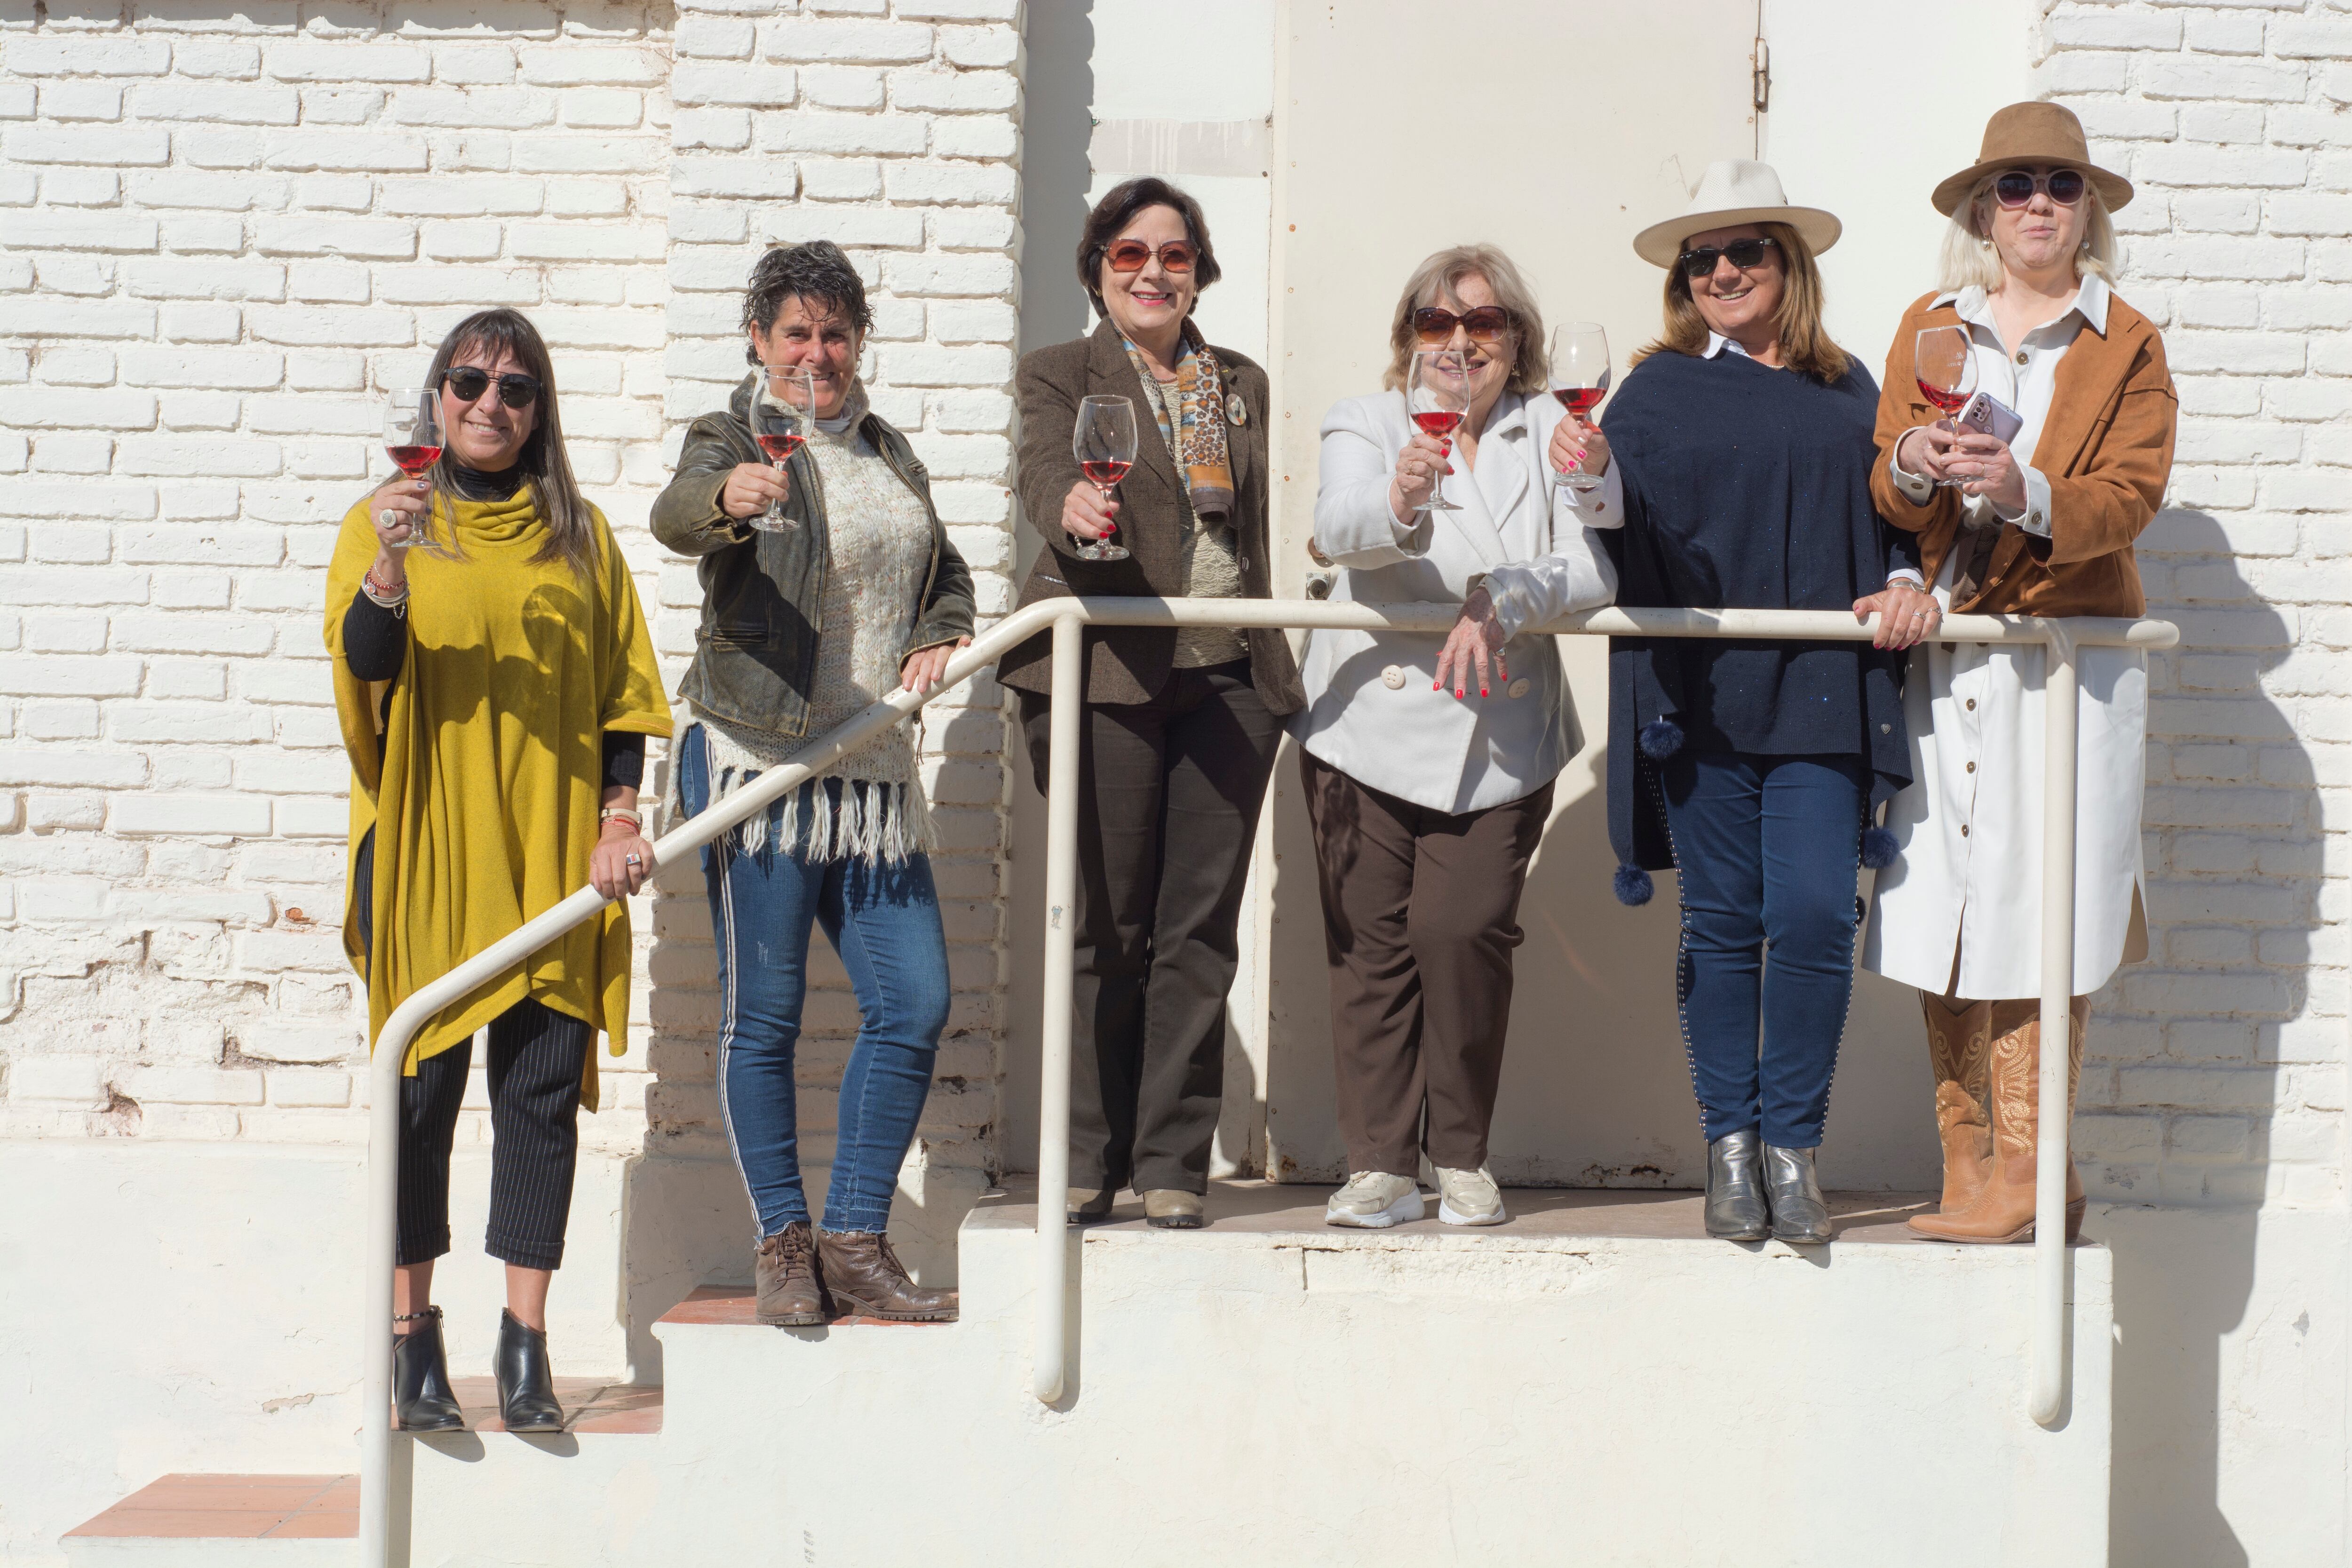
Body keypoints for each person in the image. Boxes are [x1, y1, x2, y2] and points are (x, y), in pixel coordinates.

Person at [327, 308, 672, 1432]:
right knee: (420, 1096)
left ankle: (526, 1341)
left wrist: (620, 813)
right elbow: (367, 664)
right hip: (428, 845)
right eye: (469, 380)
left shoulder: (582, 536)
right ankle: (409, 1337)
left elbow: (625, 698)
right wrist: (390, 556)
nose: (490, 402)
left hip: (553, 856)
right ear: (436, 399)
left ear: (541, 412)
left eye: (516, 388)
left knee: (538, 1099)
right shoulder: (383, 524)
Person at [1860, 103, 2176, 1245]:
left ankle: (2033, 1165)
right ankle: (1970, 1162)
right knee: (1936, 900)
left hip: (2065, 661)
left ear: (2086, 207)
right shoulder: (1930, 324)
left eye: (2059, 183)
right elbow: (1888, 487)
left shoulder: (2126, 340)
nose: (2037, 202)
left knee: (2046, 899)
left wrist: (2022, 488)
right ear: (1980, 209)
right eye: (2014, 185)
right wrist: (1916, 457)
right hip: (1947, 653)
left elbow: (2130, 498)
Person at [1602, 160, 1929, 1247]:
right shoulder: (1650, 391)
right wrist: (1582, 484)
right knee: (1725, 923)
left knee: (1812, 918)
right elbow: (1613, 538)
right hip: (1701, 697)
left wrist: (1907, 580)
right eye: (1705, 258)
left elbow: (1897, 523)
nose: (1725, 270)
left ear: (1791, 265)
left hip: (1827, 693)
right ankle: (1729, 1148)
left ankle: (1794, 1144)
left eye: (1748, 251)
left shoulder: (1852, 394)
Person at [652, 241, 974, 1322]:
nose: (816, 354)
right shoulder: (734, 436)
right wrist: (734, 499)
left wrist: (942, 633)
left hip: (868, 767)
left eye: (835, 333)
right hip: (759, 753)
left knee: (914, 998)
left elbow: (946, 571)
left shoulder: (888, 450)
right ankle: (781, 1244)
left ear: (859, 340)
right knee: (768, 1013)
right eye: (795, 332)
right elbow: (679, 511)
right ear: (758, 341)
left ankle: (852, 1236)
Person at [999, 176, 1304, 1230]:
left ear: (1198, 270)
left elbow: (1250, 528)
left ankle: (1174, 1158)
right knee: (1105, 920)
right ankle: (1088, 1153)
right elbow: (1046, 469)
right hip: (1107, 672)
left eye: (1173, 255)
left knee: (1197, 929)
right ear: (1098, 268)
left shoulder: (1241, 384)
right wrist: (1072, 505)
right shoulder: (1058, 372)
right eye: (1129, 254)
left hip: (1230, 681)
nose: (1151, 272)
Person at [1298, 245, 1622, 1229]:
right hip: (1365, 717)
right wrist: (1399, 497)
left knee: (1461, 929)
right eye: (1437, 323)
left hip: (1501, 722)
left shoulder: (1550, 432)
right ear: (1409, 336)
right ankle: (1379, 1165)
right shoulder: (1367, 420)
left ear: (1515, 341)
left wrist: (1503, 593)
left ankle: (1462, 1153)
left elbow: (1593, 569)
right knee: (1370, 947)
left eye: (1483, 324)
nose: (1459, 343)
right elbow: (1335, 526)